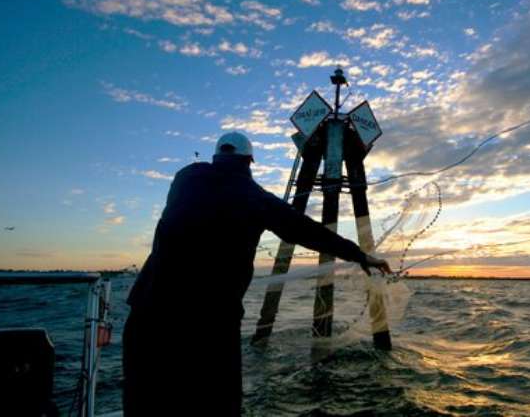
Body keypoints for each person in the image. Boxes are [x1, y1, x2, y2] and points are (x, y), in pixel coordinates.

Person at [122, 131, 391, 416]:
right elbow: (307, 231)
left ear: (217, 155)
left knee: (144, 400)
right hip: (211, 322)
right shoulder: (255, 198)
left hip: (147, 313)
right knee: (218, 403)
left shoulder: (185, 177)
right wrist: (360, 255)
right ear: (249, 161)